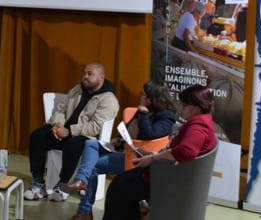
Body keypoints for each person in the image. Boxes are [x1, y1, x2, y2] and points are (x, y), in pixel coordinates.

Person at [60, 81, 176, 220]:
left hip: (140, 160)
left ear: (152, 98)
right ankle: (81, 184)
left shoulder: (166, 116)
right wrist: (119, 141)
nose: (141, 97)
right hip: (127, 151)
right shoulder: (142, 110)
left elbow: (149, 134)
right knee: (91, 144)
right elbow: (129, 131)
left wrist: (144, 114)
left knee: (93, 165)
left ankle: (84, 211)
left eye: (144, 95)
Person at [102, 84, 217, 220]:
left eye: (184, 105)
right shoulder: (203, 122)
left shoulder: (198, 125)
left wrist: (152, 159)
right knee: (122, 185)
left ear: (195, 107)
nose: (182, 109)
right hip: (169, 173)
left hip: (167, 179)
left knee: (119, 188)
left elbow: (185, 151)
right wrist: (152, 155)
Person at [23, 62, 119, 202]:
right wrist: (58, 125)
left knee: (72, 145)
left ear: (101, 77)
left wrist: (69, 131)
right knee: (37, 136)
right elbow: (61, 108)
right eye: (84, 73)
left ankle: (62, 185)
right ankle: (38, 182)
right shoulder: (77, 89)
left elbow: (95, 127)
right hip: (64, 130)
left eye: (90, 74)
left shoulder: (108, 99)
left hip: (87, 137)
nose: (85, 77)